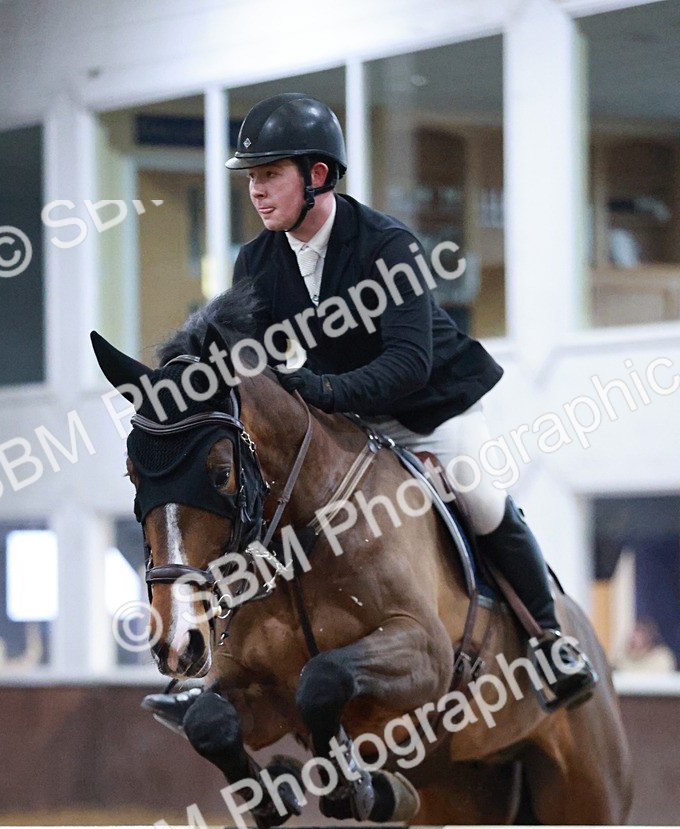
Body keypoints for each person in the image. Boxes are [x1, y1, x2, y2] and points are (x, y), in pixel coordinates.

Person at [154, 92, 597, 724]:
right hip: (339, 425)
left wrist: (324, 390)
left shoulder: (388, 247)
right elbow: (242, 361)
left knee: (479, 492)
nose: (256, 191)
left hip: (428, 410)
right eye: (251, 177)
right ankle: (227, 672)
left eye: (270, 174)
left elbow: (408, 364)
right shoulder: (255, 262)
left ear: (318, 176)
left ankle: (551, 640)